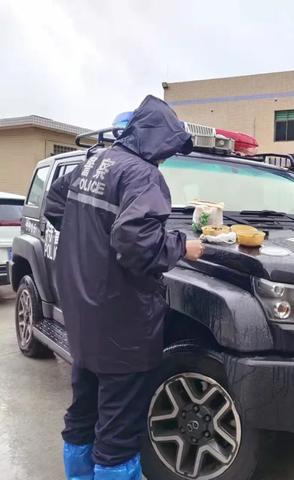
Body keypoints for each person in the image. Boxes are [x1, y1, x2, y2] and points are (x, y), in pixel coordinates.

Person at [44, 95, 205, 480]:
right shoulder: (143, 175)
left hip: (85, 317)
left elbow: (54, 204)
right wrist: (186, 246)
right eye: (167, 149)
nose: (166, 159)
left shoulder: (95, 162)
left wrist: (90, 247)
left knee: (82, 413)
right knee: (118, 432)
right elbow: (136, 244)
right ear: (154, 139)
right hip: (122, 327)